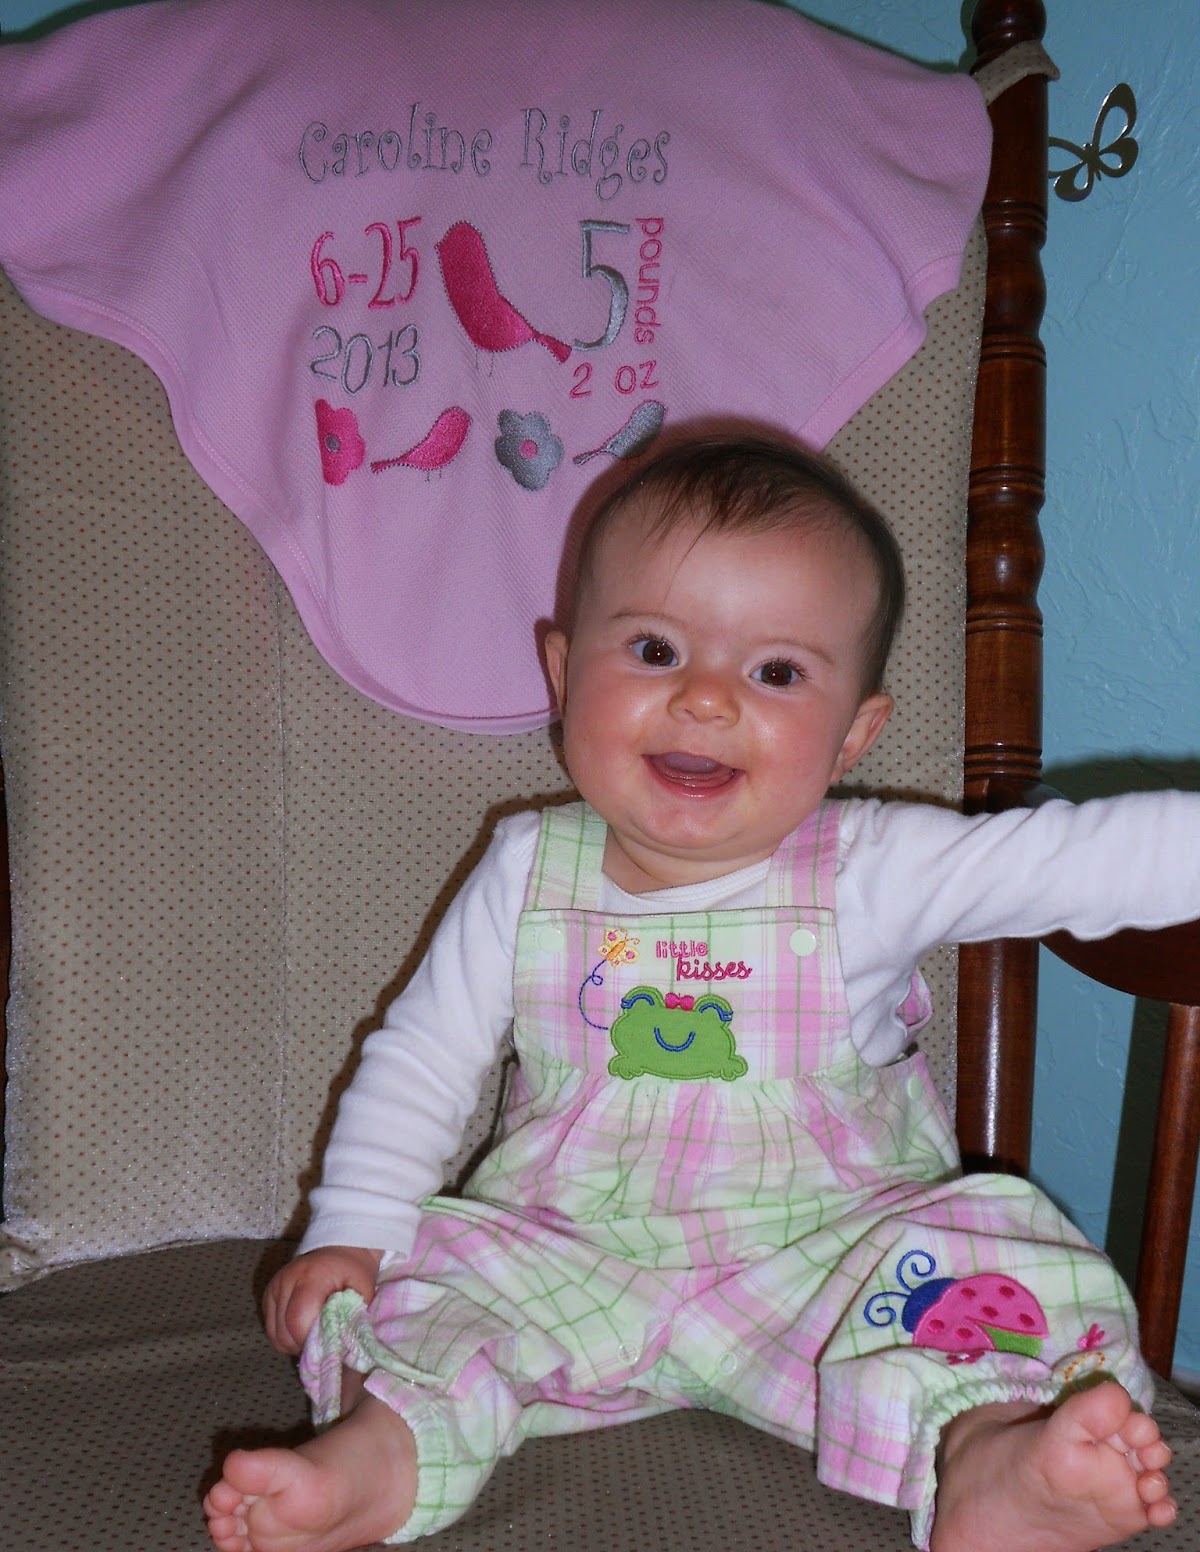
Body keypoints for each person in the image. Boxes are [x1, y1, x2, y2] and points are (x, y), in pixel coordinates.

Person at [205, 436, 1190, 1552]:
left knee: (987, 1259)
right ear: (564, 674)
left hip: (833, 1265)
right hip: (566, 1252)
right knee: (424, 1284)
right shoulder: (526, 871)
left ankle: (988, 1453)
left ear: (854, 734)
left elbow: (1081, 859)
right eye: (656, 649)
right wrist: (356, 1226)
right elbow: (425, 1058)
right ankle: (382, 1455)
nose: (707, 699)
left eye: (777, 673)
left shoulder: (873, 866)